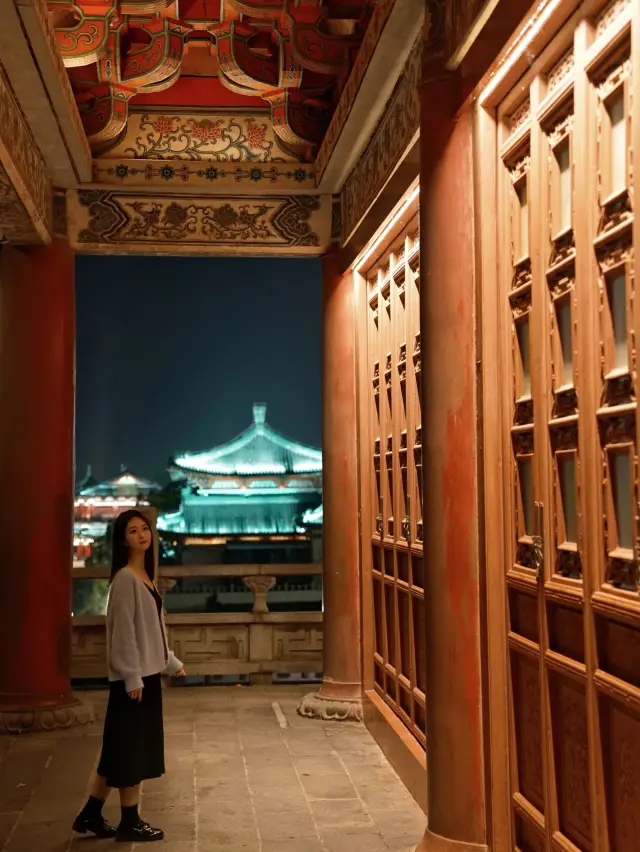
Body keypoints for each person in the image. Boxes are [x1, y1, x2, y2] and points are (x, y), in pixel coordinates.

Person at [72, 509, 186, 842]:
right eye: (134, 531)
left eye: (145, 529)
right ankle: (129, 821)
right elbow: (123, 634)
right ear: (124, 539)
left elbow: (152, 630)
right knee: (132, 752)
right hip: (133, 680)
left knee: (118, 752)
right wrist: (132, 676)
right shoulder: (125, 579)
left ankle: (91, 814)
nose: (142, 535)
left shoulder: (145, 575)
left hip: (146, 674)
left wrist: (170, 661)